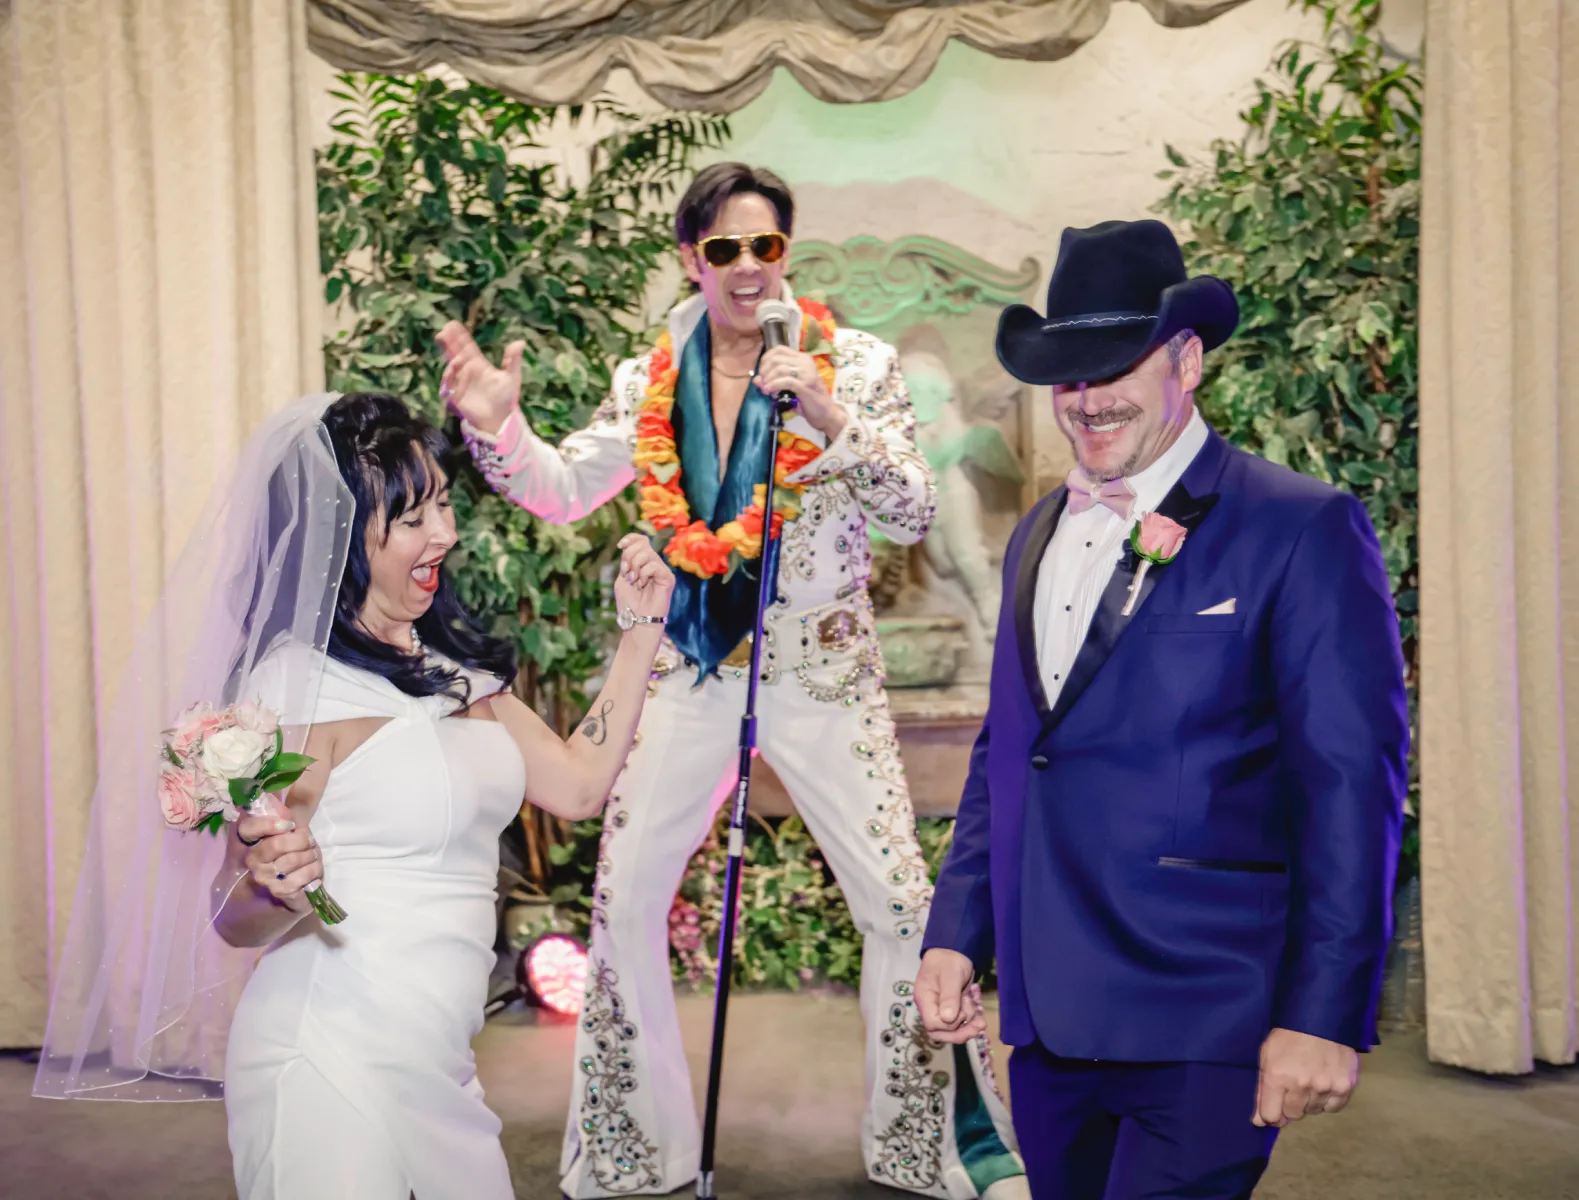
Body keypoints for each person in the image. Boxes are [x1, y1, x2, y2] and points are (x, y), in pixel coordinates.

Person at [437, 162, 1027, 1200]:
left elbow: (913, 509)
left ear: (784, 255)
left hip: (826, 674)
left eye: (766, 247)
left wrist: (829, 416)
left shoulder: (855, 365)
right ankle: (635, 1152)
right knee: (622, 903)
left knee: (899, 906)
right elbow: (569, 489)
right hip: (693, 669)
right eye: (724, 250)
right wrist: (499, 428)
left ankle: (927, 1145)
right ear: (690, 261)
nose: (748, 269)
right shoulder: (648, 379)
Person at [34, 392, 675, 1200]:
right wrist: (271, 884)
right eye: (411, 518)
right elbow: (235, 917)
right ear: (340, 535)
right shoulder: (300, 685)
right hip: (325, 1052)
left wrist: (642, 631)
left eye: (442, 503)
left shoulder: (454, 674)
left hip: (436, 1062)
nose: (442, 533)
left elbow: (578, 786)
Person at [916, 219, 1408, 1199]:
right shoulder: (1037, 534)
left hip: (1206, 1017)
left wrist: (1322, 1014)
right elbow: (1010, 758)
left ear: (1186, 360)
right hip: (1047, 1022)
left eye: (1116, 366)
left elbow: (1351, 790)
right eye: (1066, 373)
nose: (1088, 399)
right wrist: (954, 929)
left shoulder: (1301, 526)